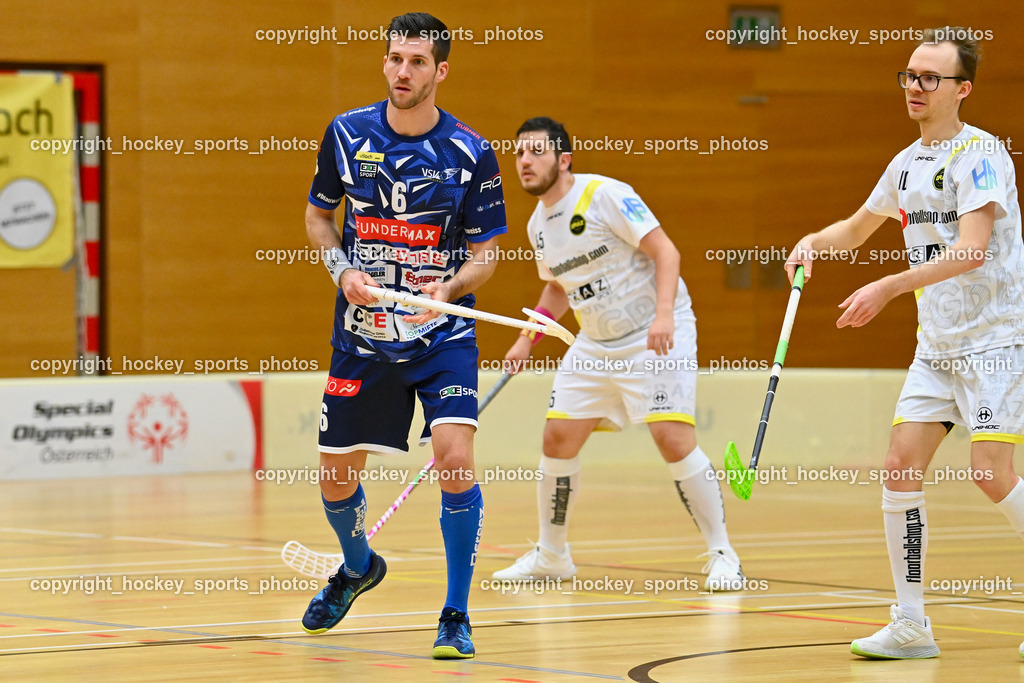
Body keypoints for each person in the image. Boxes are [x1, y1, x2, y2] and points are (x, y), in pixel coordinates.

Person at [786, 27, 1024, 659]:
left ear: (961, 89)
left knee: (990, 473)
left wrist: (889, 286)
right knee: (898, 468)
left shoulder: (982, 156)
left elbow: (971, 251)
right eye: (909, 76)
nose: (915, 88)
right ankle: (912, 624)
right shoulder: (906, 164)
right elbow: (858, 230)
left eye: (930, 79)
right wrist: (814, 242)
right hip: (937, 346)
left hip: (994, 341)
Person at [300, 12, 506, 660]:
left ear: (440, 70)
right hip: (362, 334)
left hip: (441, 333)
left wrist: (447, 290)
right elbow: (317, 216)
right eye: (394, 59)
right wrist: (342, 270)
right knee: (335, 476)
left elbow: (487, 253)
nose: (402, 71)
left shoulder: (471, 153)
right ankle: (358, 565)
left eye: (417, 62)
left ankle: (454, 612)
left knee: (453, 457)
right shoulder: (346, 134)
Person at [492, 117, 745, 591]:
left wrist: (664, 314)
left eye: (536, 152)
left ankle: (722, 553)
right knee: (557, 438)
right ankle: (553, 555)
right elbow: (557, 290)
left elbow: (665, 252)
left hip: (653, 332)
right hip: (594, 343)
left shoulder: (605, 195)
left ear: (563, 159)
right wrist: (529, 338)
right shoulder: (537, 226)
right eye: (519, 153)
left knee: (672, 438)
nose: (524, 161)